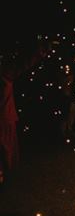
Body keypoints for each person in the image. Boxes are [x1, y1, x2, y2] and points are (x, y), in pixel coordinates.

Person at [1, 44, 47, 183]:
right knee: (5, 150)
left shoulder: (4, 75)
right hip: (4, 120)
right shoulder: (4, 75)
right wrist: (40, 52)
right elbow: (22, 65)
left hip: (5, 118)